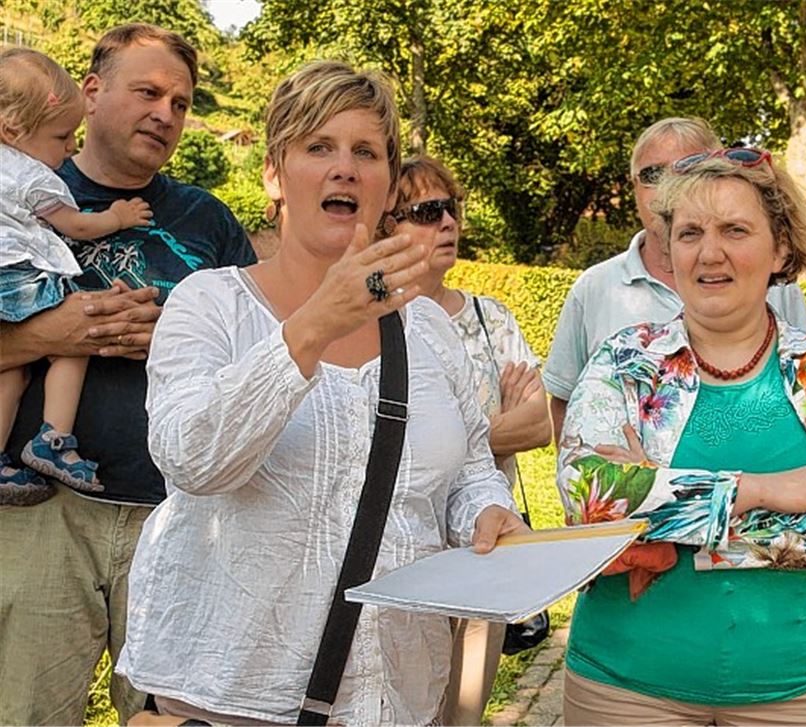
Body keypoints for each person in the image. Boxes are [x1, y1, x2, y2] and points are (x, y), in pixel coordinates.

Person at [118, 61, 527, 725]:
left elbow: (469, 470)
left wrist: (486, 513)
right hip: (233, 700)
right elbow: (192, 459)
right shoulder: (211, 304)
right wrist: (312, 326)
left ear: (387, 183)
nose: (344, 168)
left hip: (396, 698)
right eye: (318, 147)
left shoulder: (426, 326)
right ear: (275, 175)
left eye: (365, 152)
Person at [555, 150, 806, 726]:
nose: (709, 252)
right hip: (624, 689)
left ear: (781, 248)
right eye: (689, 232)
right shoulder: (622, 362)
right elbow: (590, 498)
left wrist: (663, 523)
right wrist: (764, 490)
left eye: (735, 230)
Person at [0, 24, 256, 725]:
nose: (165, 113)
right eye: (147, 91)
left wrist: (177, 340)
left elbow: (264, 358)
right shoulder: (14, 186)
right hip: (38, 518)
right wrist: (54, 333)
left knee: (170, 716)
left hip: (176, 519)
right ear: (90, 92)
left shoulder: (209, 219)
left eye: (180, 101)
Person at [391, 155, 552, 726]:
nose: (448, 224)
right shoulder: (369, 321)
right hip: (400, 557)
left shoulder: (491, 318)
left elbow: (539, 424)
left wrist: (449, 441)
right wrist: (489, 431)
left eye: (451, 209)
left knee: (462, 715)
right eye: (427, 212)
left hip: (482, 546)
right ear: (388, 224)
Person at [543, 117, 806, 442]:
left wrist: (648, 481)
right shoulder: (597, 297)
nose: (710, 254)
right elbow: (576, 437)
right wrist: (775, 488)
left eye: (735, 230)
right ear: (633, 185)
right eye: (653, 174)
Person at [0, 48, 153, 503]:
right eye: (62, 136)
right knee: (76, 340)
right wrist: (118, 217)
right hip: (22, 276)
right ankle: (54, 439)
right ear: (13, 130)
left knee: (12, 370)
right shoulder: (32, 176)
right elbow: (77, 225)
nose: (68, 148)